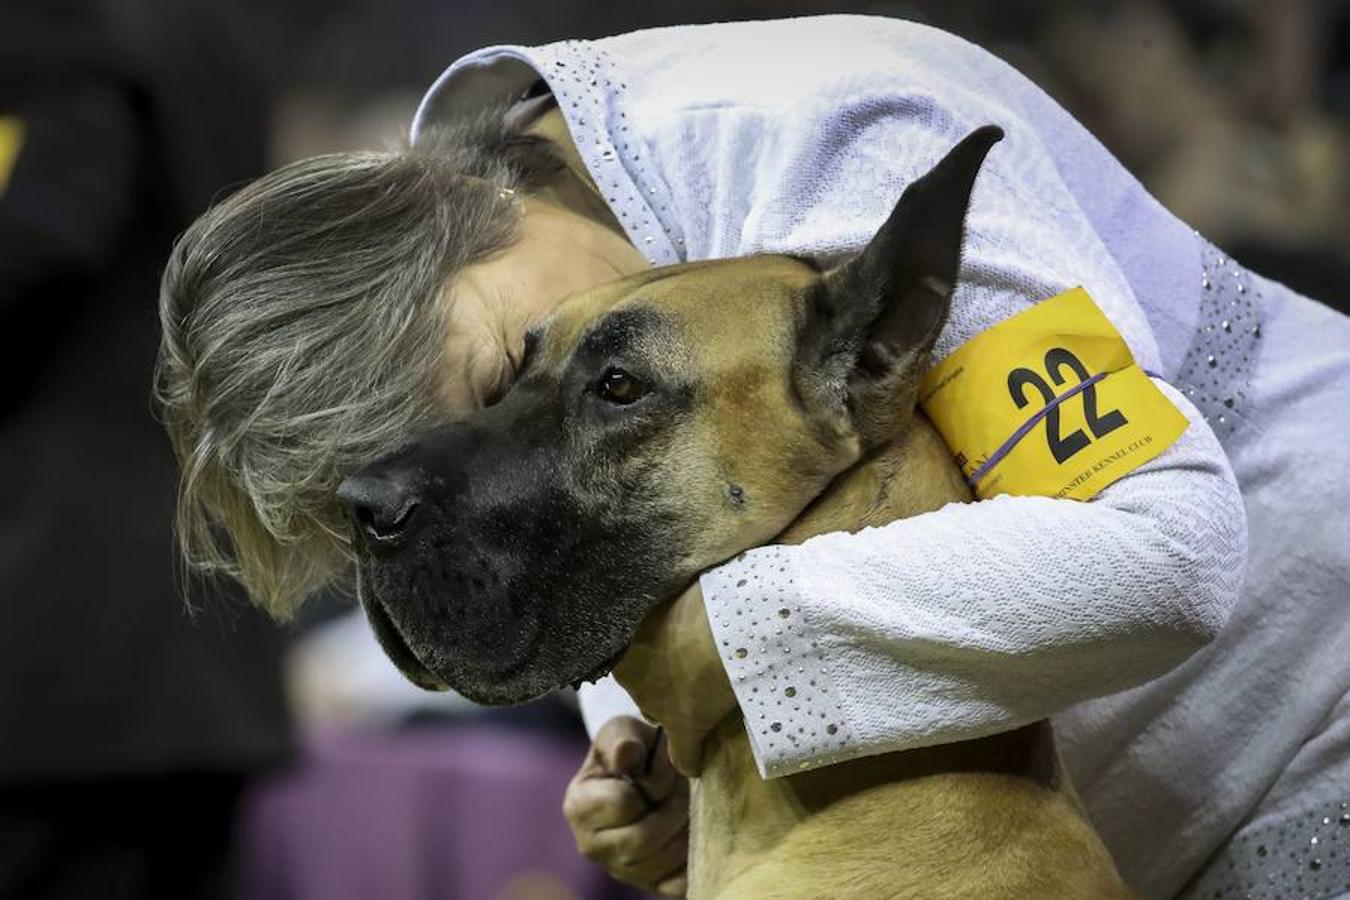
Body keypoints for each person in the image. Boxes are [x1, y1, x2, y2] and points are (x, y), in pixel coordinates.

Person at [155, 15, 1350, 900]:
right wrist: (649, 749)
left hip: (1314, 716)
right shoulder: (590, 260)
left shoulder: (841, 136)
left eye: (495, 386)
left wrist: (717, 658)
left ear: (467, 219)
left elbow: (1164, 549)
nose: (517, 423)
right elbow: (670, 509)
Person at [0, 2, 293, 898]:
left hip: (69, 648)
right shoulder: (204, 22)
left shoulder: (61, 28)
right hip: (193, 608)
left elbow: (42, 232)